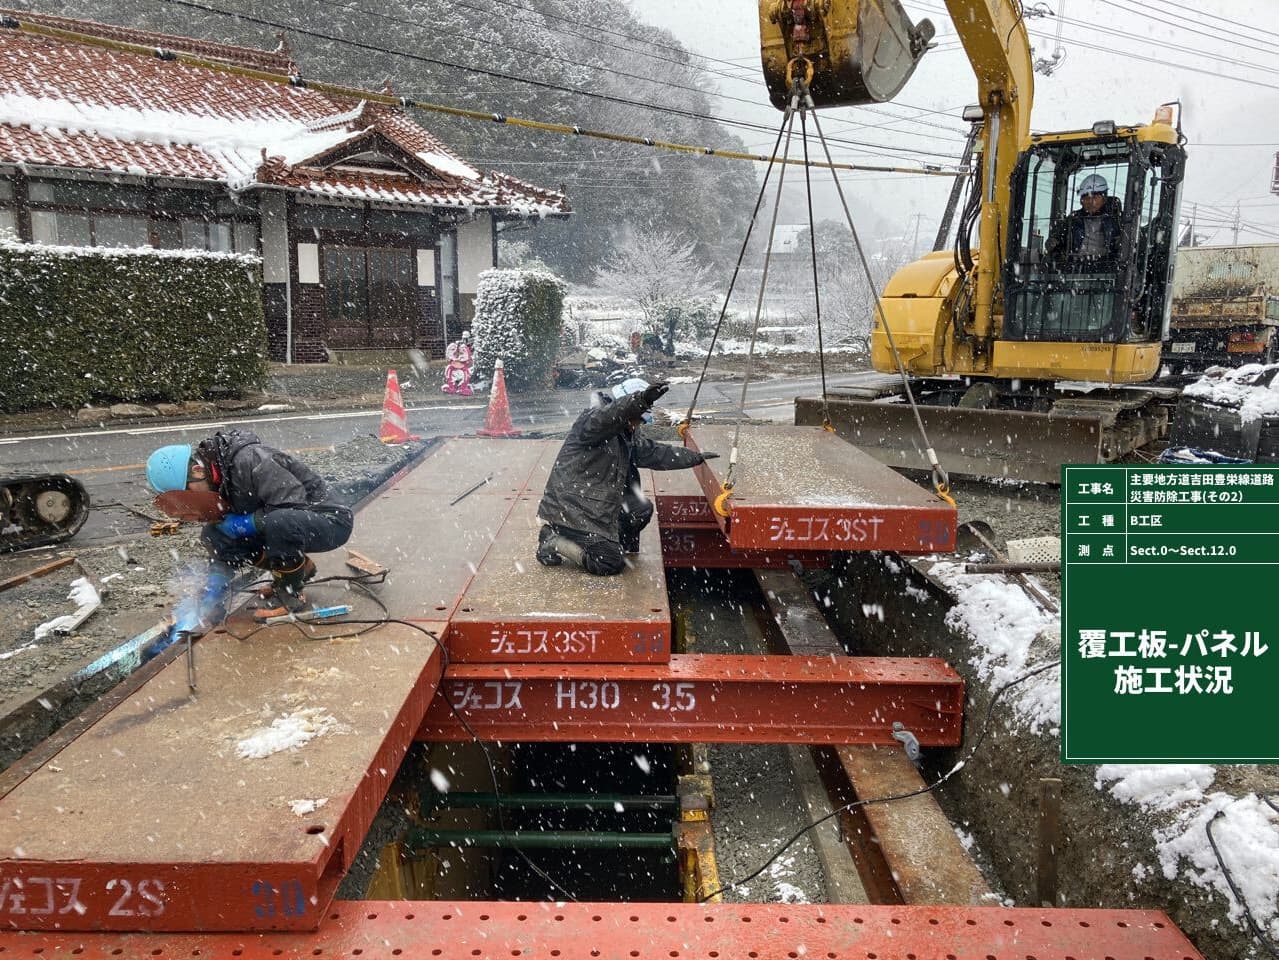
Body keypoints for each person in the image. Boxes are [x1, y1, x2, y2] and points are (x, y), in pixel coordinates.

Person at [145, 430, 354, 622]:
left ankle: (291, 595)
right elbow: (226, 535)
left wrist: (249, 522)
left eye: (188, 493)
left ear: (198, 471)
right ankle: (298, 569)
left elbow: (292, 507)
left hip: (329, 521)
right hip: (289, 521)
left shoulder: (251, 459)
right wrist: (215, 582)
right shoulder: (220, 477)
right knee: (214, 533)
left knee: (278, 523)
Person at [536, 378, 716, 576]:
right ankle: (553, 539)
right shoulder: (593, 421)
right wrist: (641, 400)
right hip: (571, 507)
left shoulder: (625, 432)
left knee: (641, 508)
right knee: (609, 563)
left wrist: (695, 458)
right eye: (638, 418)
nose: (638, 424)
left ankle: (607, 543)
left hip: (593, 504)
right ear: (627, 410)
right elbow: (613, 414)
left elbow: (653, 452)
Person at [1046, 173, 1123, 265]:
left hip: (1106, 269)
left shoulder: (1116, 221)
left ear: (1104, 198)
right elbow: (1057, 240)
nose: (1090, 202)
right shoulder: (1073, 220)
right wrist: (1053, 242)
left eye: (1095, 197)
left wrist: (1119, 243)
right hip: (1074, 269)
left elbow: (1125, 246)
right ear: (1081, 201)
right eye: (1086, 198)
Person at [442, 329, 474, 396]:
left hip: (462, 366)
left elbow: (467, 356)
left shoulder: (467, 347)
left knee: (465, 373)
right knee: (450, 370)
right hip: (459, 366)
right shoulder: (459, 347)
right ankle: (454, 386)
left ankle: (462, 387)